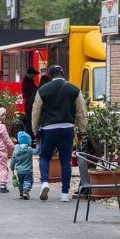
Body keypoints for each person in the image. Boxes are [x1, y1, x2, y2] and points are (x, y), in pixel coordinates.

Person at [31, 65, 87, 202]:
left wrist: (35, 129)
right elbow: (81, 111)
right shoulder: (74, 89)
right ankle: (64, 194)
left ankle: (44, 182)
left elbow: (36, 111)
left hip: (48, 128)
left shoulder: (42, 90)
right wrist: (82, 130)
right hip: (67, 128)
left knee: (44, 157)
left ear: (50, 76)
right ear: (63, 74)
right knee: (65, 161)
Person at [10, 131, 40, 200]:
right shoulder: (29, 149)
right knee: (28, 181)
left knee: (21, 182)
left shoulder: (16, 150)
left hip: (19, 171)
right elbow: (36, 152)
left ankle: (21, 193)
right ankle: (26, 191)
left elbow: (13, 159)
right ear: (28, 141)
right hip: (27, 170)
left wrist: (12, 167)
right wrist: (38, 146)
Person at [21, 67, 39, 136]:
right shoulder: (27, 82)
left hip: (29, 105)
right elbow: (32, 93)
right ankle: (30, 137)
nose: (34, 76)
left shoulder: (29, 81)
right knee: (30, 122)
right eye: (33, 74)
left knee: (30, 122)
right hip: (29, 106)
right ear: (30, 74)